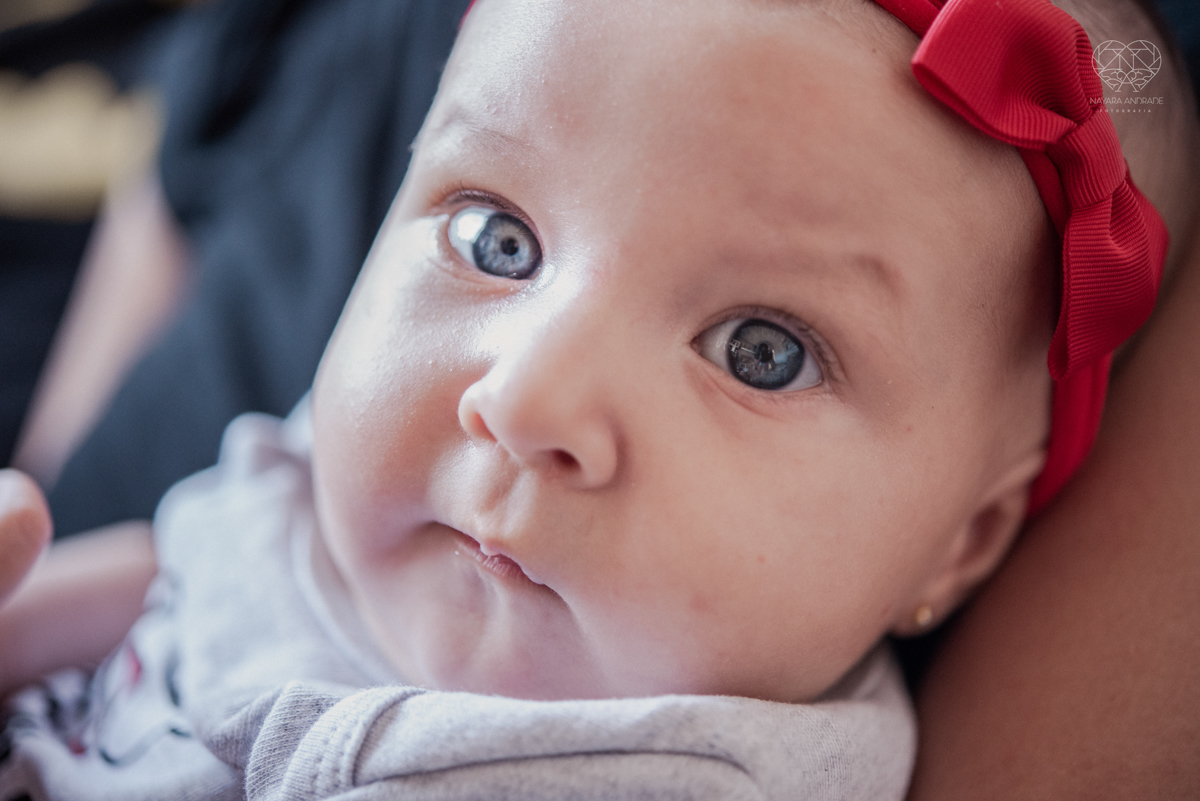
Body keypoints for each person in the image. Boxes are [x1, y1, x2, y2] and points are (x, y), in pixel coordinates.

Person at [0, 0, 1195, 798]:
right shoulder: (350, 505)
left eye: (759, 351)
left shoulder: (671, 772)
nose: (526, 399)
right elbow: (194, 569)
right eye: (495, 238)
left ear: (961, 544)